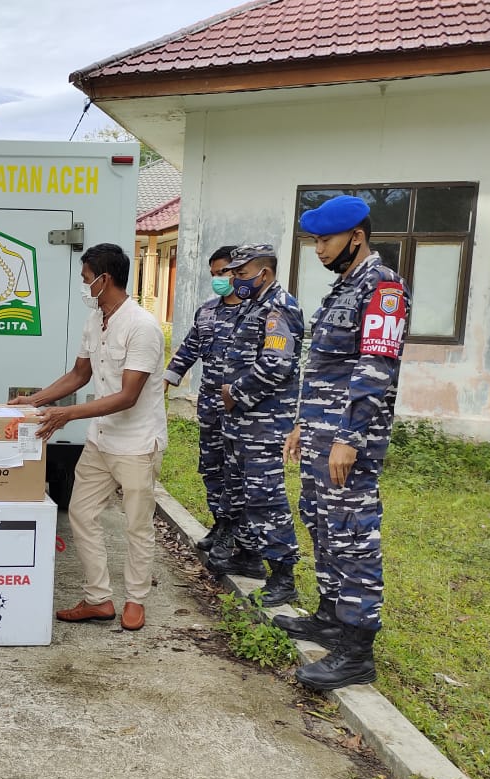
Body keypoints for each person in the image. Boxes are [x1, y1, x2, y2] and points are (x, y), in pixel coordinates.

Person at [277, 196, 410, 691]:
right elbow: (326, 370)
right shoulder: (343, 289)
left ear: (356, 236)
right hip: (320, 433)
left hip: (349, 442)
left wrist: (349, 438)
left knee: (352, 532)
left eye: (325, 239)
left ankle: (356, 650)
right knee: (322, 523)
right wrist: (302, 425)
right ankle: (330, 617)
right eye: (314, 240)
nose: (318, 249)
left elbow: (375, 369)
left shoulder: (383, 287)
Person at [12, 243, 167, 632]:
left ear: (105, 279)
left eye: (86, 278)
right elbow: (79, 375)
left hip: (136, 442)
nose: (83, 285)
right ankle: (98, 598)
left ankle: (135, 600)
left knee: (136, 524)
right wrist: (36, 400)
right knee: (80, 512)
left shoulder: (142, 327)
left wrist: (67, 414)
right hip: (101, 439)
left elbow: (127, 396)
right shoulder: (96, 318)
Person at [205, 244, 304, 607]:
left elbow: (277, 365)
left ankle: (283, 574)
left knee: (265, 497)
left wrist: (237, 393)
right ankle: (248, 556)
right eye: (233, 273)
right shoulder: (253, 305)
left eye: (241, 273)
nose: (235, 279)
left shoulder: (279, 307)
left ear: (264, 272)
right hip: (240, 422)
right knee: (239, 492)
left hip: (264, 421)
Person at [162, 245, 244, 559]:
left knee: (235, 472)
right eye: (214, 274)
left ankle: (234, 534)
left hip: (240, 409)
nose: (218, 280)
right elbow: (189, 348)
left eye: (223, 272)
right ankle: (219, 524)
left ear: (238, 271)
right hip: (210, 406)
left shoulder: (254, 312)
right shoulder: (208, 310)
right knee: (211, 469)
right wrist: (169, 377)